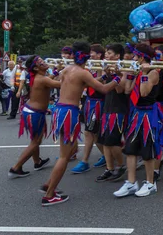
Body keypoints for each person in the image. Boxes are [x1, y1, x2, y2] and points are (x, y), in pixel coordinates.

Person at [42, 41, 119, 206]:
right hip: (69, 112)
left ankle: (49, 184)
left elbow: (84, 83)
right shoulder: (82, 72)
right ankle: (49, 195)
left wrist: (105, 76)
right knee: (65, 155)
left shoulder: (68, 70)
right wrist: (120, 77)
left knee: (67, 152)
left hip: (60, 110)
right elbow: (103, 89)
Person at [113, 43, 163, 198]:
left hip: (149, 115)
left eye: (136, 56)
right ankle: (131, 183)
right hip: (136, 114)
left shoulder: (153, 73)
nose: (133, 58)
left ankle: (150, 183)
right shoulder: (138, 71)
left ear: (142, 57)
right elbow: (128, 90)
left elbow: (143, 93)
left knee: (147, 151)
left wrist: (142, 74)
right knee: (130, 149)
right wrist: (129, 74)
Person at [8, 55, 59, 179]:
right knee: (36, 141)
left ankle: (37, 162)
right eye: (41, 62)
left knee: (34, 140)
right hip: (35, 113)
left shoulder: (39, 77)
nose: (44, 62)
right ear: (36, 68)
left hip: (30, 111)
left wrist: (57, 72)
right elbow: (60, 84)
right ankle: (16, 167)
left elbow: (48, 81)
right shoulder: (42, 79)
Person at [96, 44, 129, 183]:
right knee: (104, 141)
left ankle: (121, 166)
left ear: (117, 56)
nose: (106, 55)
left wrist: (115, 74)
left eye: (109, 53)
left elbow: (121, 89)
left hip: (119, 109)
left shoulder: (125, 68)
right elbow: (96, 84)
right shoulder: (107, 68)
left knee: (113, 141)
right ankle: (109, 169)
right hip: (107, 108)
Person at [71, 44, 107, 173]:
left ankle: (85, 161)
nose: (90, 55)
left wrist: (98, 74)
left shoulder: (102, 65)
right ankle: (107, 157)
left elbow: (101, 84)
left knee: (89, 132)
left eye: (93, 53)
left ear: (99, 54)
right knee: (93, 133)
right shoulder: (89, 65)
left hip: (98, 102)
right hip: (89, 101)